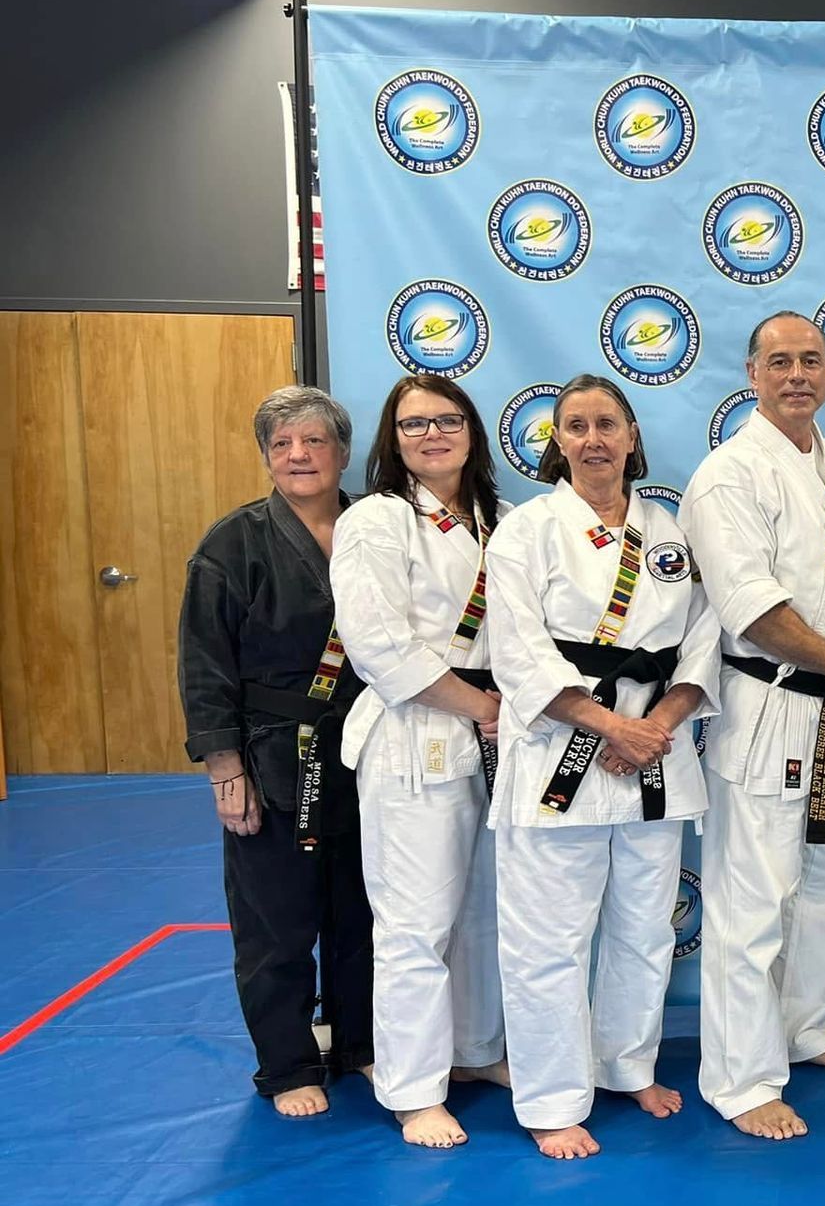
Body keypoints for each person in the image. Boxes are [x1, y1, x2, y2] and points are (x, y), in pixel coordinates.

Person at [682, 313, 825, 1141]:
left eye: (811, 360)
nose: (797, 375)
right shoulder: (728, 475)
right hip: (773, 710)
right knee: (753, 901)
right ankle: (740, 1078)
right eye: (779, 362)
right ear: (753, 374)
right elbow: (750, 607)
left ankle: (804, 1027)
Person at [484, 374, 720, 1160]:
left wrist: (655, 725)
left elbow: (703, 640)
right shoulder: (525, 531)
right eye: (577, 426)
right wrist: (612, 724)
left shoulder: (668, 531)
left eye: (607, 424)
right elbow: (517, 650)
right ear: (556, 441)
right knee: (549, 940)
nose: (593, 439)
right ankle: (552, 1100)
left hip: (655, 753)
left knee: (645, 929)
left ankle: (627, 1066)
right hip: (561, 753)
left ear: (631, 435)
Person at [178, 385, 374, 1117]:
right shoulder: (232, 544)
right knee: (276, 919)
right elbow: (204, 665)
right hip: (272, 755)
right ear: (266, 456)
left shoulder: (376, 526)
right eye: (282, 444)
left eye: (314, 440)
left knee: (364, 913)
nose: (298, 455)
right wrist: (224, 768)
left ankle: (360, 1044)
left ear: (342, 452)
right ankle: (288, 1064)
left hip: (367, 747)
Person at [330, 373, 511, 1149]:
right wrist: (480, 706)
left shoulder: (504, 521)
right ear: (392, 440)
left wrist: (508, 709)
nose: (432, 434)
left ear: (472, 430)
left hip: (498, 733)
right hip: (416, 730)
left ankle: (473, 1049)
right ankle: (412, 1089)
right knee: (415, 921)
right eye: (414, 425)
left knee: (482, 910)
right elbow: (378, 646)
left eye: (447, 420)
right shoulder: (376, 521)